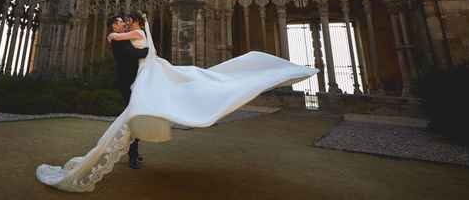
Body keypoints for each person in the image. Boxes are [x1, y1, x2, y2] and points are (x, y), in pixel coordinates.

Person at [36, 13, 319, 193]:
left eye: (127, 22)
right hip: (146, 76)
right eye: (121, 23)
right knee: (183, 86)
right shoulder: (137, 35)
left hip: (147, 75)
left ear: (134, 24)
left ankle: (119, 152)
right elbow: (135, 49)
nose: (124, 25)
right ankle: (128, 150)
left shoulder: (134, 34)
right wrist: (116, 36)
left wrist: (113, 33)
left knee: (159, 99)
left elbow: (129, 43)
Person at [107, 13, 148, 169]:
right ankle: (132, 155)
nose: (123, 23)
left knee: (134, 116)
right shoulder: (119, 41)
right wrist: (147, 52)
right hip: (126, 82)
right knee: (132, 118)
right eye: (119, 22)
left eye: (124, 21)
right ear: (114, 26)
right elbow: (134, 53)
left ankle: (134, 152)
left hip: (134, 80)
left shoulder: (121, 37)